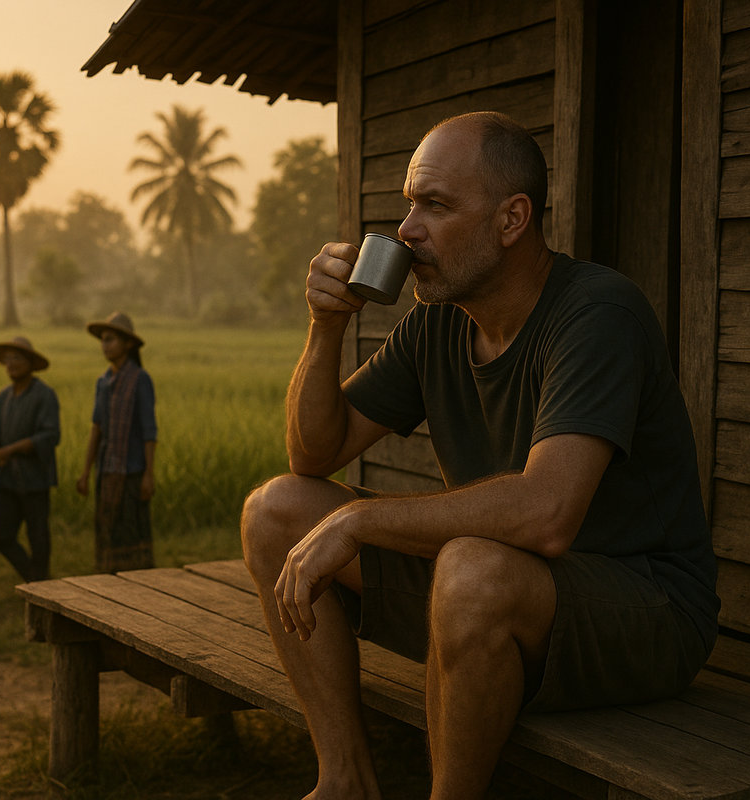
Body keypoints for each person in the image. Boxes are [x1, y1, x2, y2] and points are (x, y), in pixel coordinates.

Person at [239, 111, 720, 799]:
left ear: (511, 219)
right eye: (409, 205)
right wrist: (325, 328)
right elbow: (315, 452)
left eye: (434, 205)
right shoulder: (437, 322)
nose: (406, 231)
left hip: (644, 612)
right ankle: (345, 780)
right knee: (278, 509)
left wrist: (357, 521)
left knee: (470, 567)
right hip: (492, 589)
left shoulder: (598, 314)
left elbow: (547, 513)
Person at [76, 312, 158, 572]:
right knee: (108, 531)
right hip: (107, 471)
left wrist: (148, 474)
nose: (105, 345)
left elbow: (149, 431)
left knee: (131, 535)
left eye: (111, 340)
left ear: (128, 344)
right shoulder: (103, 382)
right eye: (103, 340)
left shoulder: (140, 379)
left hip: (132, 473)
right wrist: (86, 471)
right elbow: (97, 428)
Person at [0, 335, 60, 582]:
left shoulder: (44, 395)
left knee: (38, 536)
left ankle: (39, 581)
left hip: (34, 478)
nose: (11, 363)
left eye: (17, 358)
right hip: (7, 479)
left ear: (30, 363)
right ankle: (35, 580)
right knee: (1, 537)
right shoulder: (3, 396)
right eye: (7, 359)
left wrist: (11, 450)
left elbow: (49, 435)